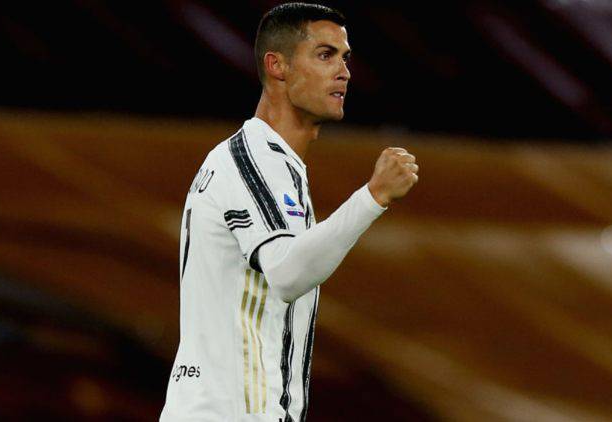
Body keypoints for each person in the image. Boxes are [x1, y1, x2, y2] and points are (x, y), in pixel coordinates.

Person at [159, 3, 418, 421]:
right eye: (325, 55)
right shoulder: (252, 160)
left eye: (345, 58)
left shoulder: (272, 163)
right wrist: (373, 196)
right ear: (276, 66)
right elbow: (287, 272)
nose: (344, 72)